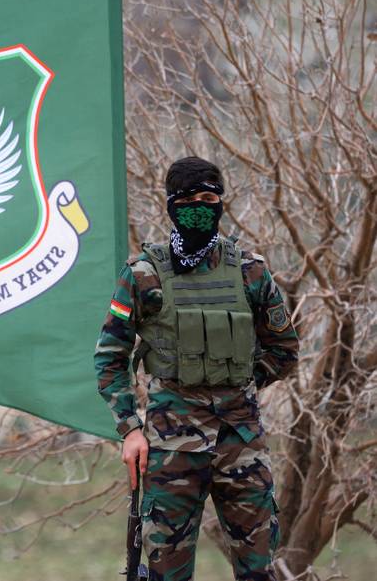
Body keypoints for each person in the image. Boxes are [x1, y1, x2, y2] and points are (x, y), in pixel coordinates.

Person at [94, 157, 299, 581]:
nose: (199, 207)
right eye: (188, 199)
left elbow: (284, 349)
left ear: (221, 203)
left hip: (241, 442)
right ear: (171, 205)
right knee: (166, 573)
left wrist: (238, 378)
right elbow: (110, 357)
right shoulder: (143, 274)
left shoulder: (250, 271)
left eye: (208, 198)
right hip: (171, 446)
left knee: (259, 570)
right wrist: (130, 429)